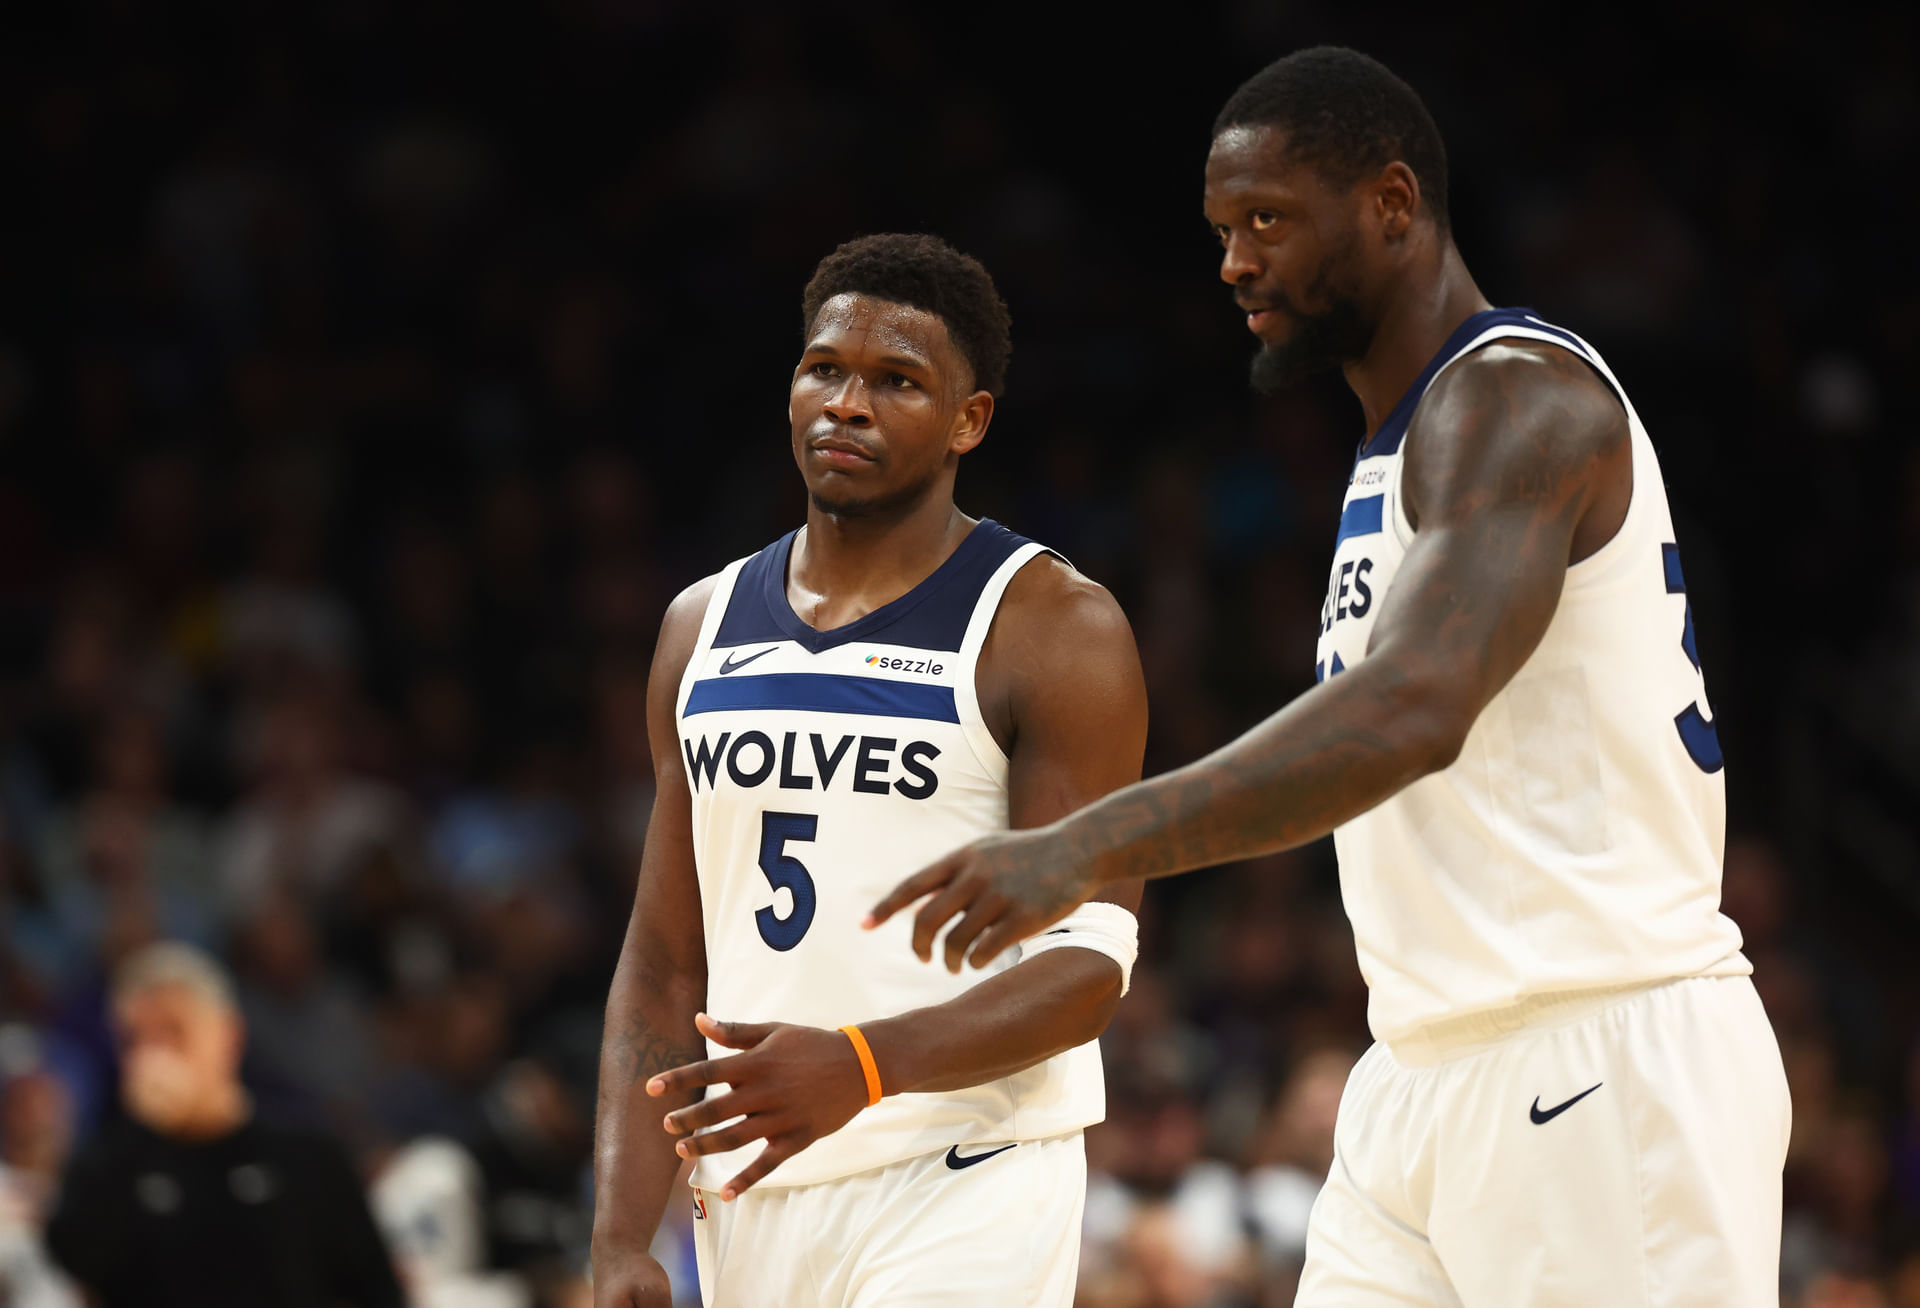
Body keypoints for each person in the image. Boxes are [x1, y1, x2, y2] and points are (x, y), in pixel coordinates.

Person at [870, 47, 1789, 1306]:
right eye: (1220, 229)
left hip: (1597, 1049)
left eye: (1267, 221)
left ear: (1394, 205)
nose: (1236, 261)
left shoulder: (1516, 399)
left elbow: (1410, 709)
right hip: (1423, 1066)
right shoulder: (1400, 446)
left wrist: (1083, 844)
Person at [590, 233, 1148, 1307]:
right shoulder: (697, 627)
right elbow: (665, 963)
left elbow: (1091, 965)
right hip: (752, 1188)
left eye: (897, 381)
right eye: (825, 369)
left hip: (963, 1172)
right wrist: (620, 1236)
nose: (846, 403)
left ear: (968, 421)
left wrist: (862, 1063)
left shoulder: (1050, 628)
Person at [44, 942, 404, 1308]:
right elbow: (73, 1262)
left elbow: (375, 1289)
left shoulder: (308, 1155)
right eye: (134, 1039)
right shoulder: (107, 1165)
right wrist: (139, 1132)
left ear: (229, 1034)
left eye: (174, 1031)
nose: (154, 1055)